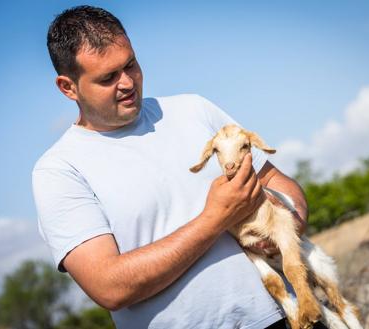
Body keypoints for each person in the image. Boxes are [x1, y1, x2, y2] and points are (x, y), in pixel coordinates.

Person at [32, 5, 311, 329]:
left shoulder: (193, 108)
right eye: (108, 77)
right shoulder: (58, 171)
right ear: (68, 87)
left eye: (131, 65)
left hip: (292, 314)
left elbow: (276, 179)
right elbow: (109, 286)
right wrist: (215, 219)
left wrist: (290, 222)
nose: (127, 82)